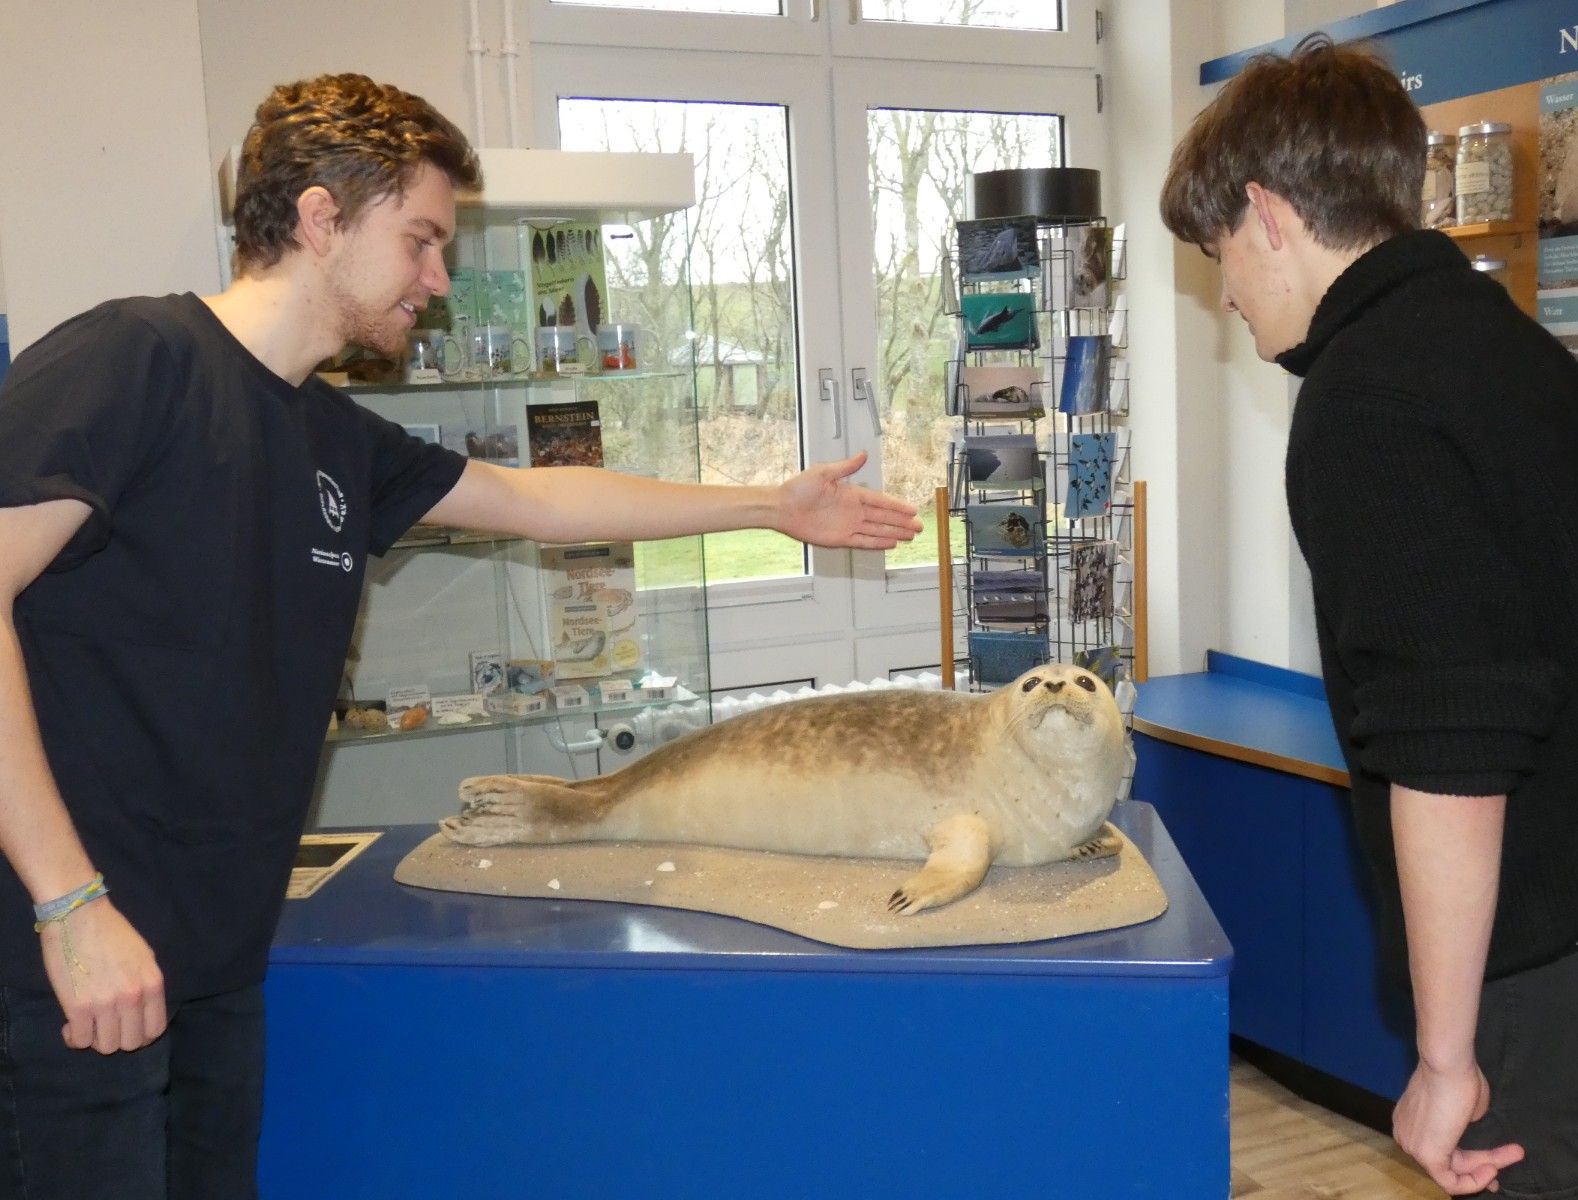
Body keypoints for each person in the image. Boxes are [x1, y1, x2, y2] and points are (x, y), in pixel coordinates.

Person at [0, 72, 920, 1198]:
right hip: (63, 961)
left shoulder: (332, 434)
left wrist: (770, 508)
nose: (438, 282)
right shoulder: (134, 359)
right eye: (422, 241)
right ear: (322, 218)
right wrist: (69, 904)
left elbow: (537, 501)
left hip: (209, 967)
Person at [1160, 36, 1578, 1199]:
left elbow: (1449, 747)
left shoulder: (1367, 398)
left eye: (1219, 251)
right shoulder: (1499, 345)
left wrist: (1442, 1056)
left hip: (1566, 972)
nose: (1224, 289)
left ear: (1268, 216)